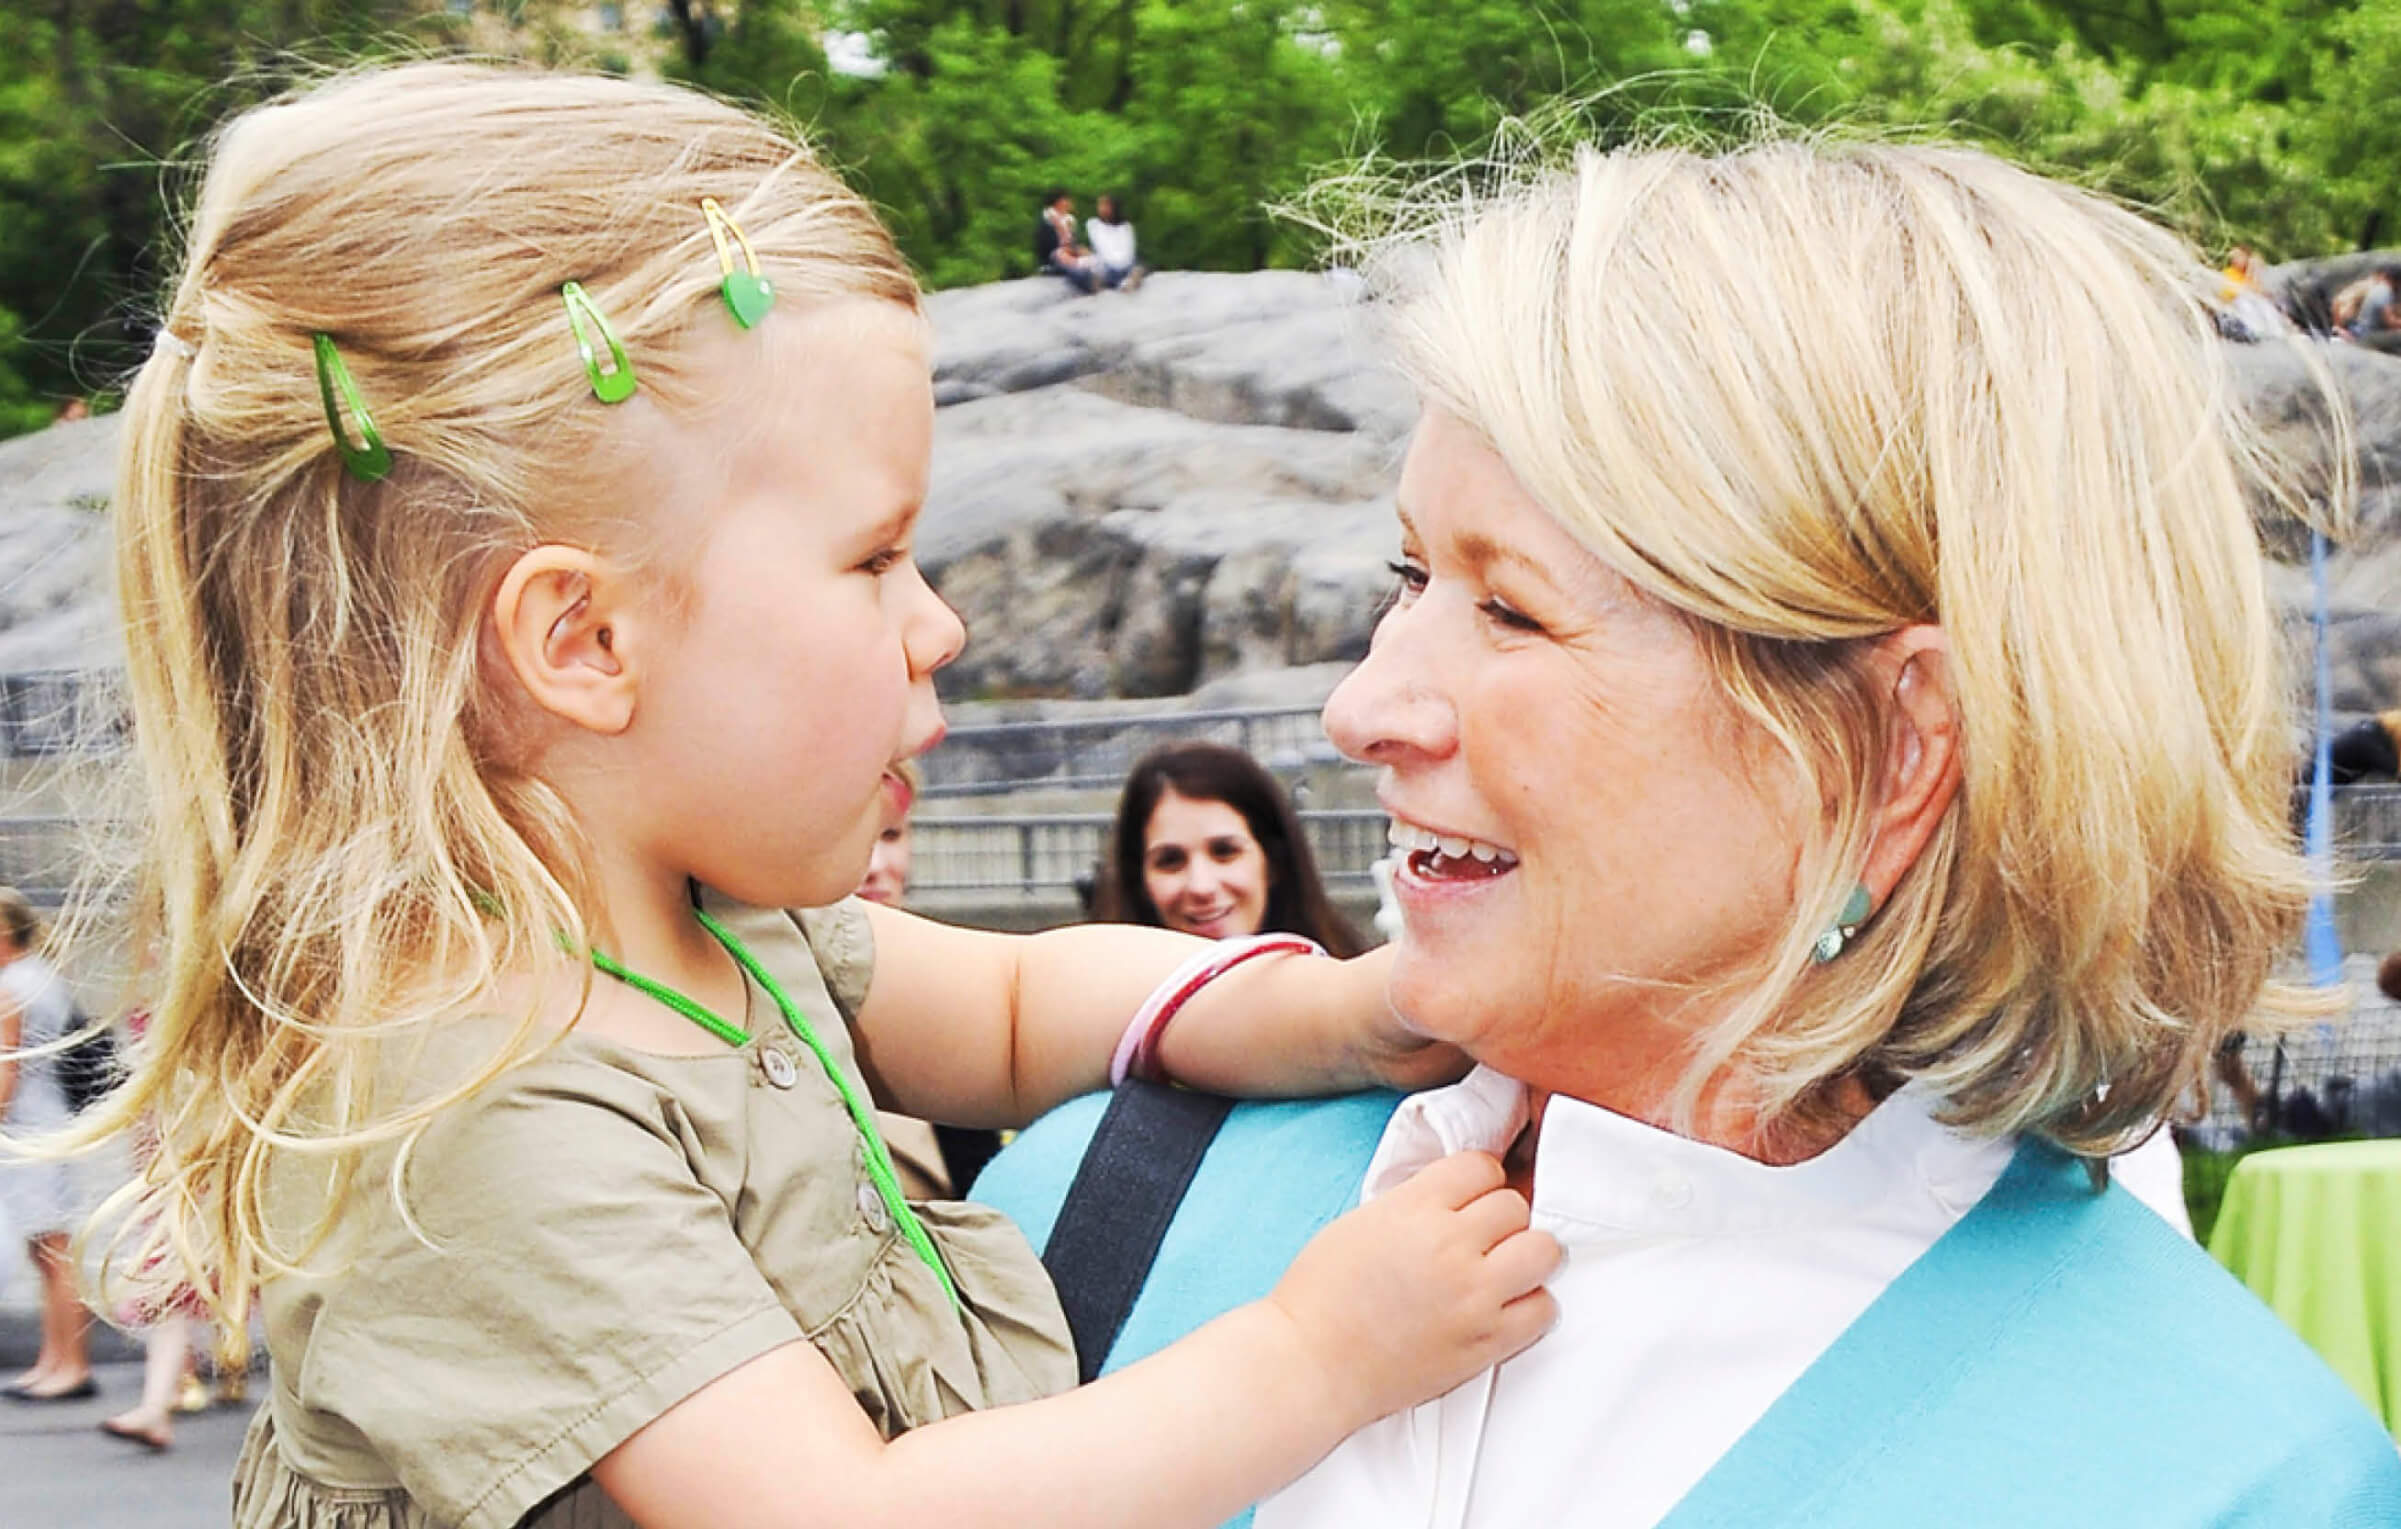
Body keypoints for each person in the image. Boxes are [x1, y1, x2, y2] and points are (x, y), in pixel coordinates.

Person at [52, 63, 1557, 1529]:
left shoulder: (715, 924)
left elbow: (1030, 1007)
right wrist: (1320, 1355)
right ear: (583, 641)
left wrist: (1349, 1015)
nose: (940, 620)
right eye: (873, 557)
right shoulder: (486, 1104)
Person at [980, 139, 2401, 1524]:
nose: (1366, 706)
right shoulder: (1088, 1207)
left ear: (1898, 747)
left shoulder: (2227, 1482)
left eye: (1510, 607)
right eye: (1405, 574)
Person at [1094, 741, 1367, 956]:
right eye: (1170, 861)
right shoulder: (1103, 1020)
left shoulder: (1358, 1005)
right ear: (1139, 880)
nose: (1201, 886)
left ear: (1273, 861)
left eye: (1224, 852)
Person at [0, 886, 95, 1403]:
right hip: (50, 1123)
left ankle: (71, 1365)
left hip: (28, 1131)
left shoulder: (11, 986)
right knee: (49, 1251)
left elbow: (6, 1070)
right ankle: (54, 1359)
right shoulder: (42, 977)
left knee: (53, 1253)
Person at [1034, 189, 1100, 294]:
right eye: (1067, 200)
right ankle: (1086, 280)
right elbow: (1045, 245)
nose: (1070, 202)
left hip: (1069, 251)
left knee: (1088, 253)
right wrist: (1067, 247)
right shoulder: (1047, 219)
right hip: (1054, 255)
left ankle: (1097, 273)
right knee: (1061, 254)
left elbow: (1074, 242)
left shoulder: (1070, 220)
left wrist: (1076, 249)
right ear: (1058, 202)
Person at [1086, 195, 1145, 292]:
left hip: (1125, 266)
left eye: (1106, 205)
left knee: (1139, 266)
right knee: (1092, 265)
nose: (1101, 208)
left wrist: (1122, 265)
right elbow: (1101, 248)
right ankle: (1106, 286)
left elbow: (1129, 251)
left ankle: (1128, 282)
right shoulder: (1093, 224)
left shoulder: (1126, 226)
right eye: (1100, 205)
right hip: (1107, 267)